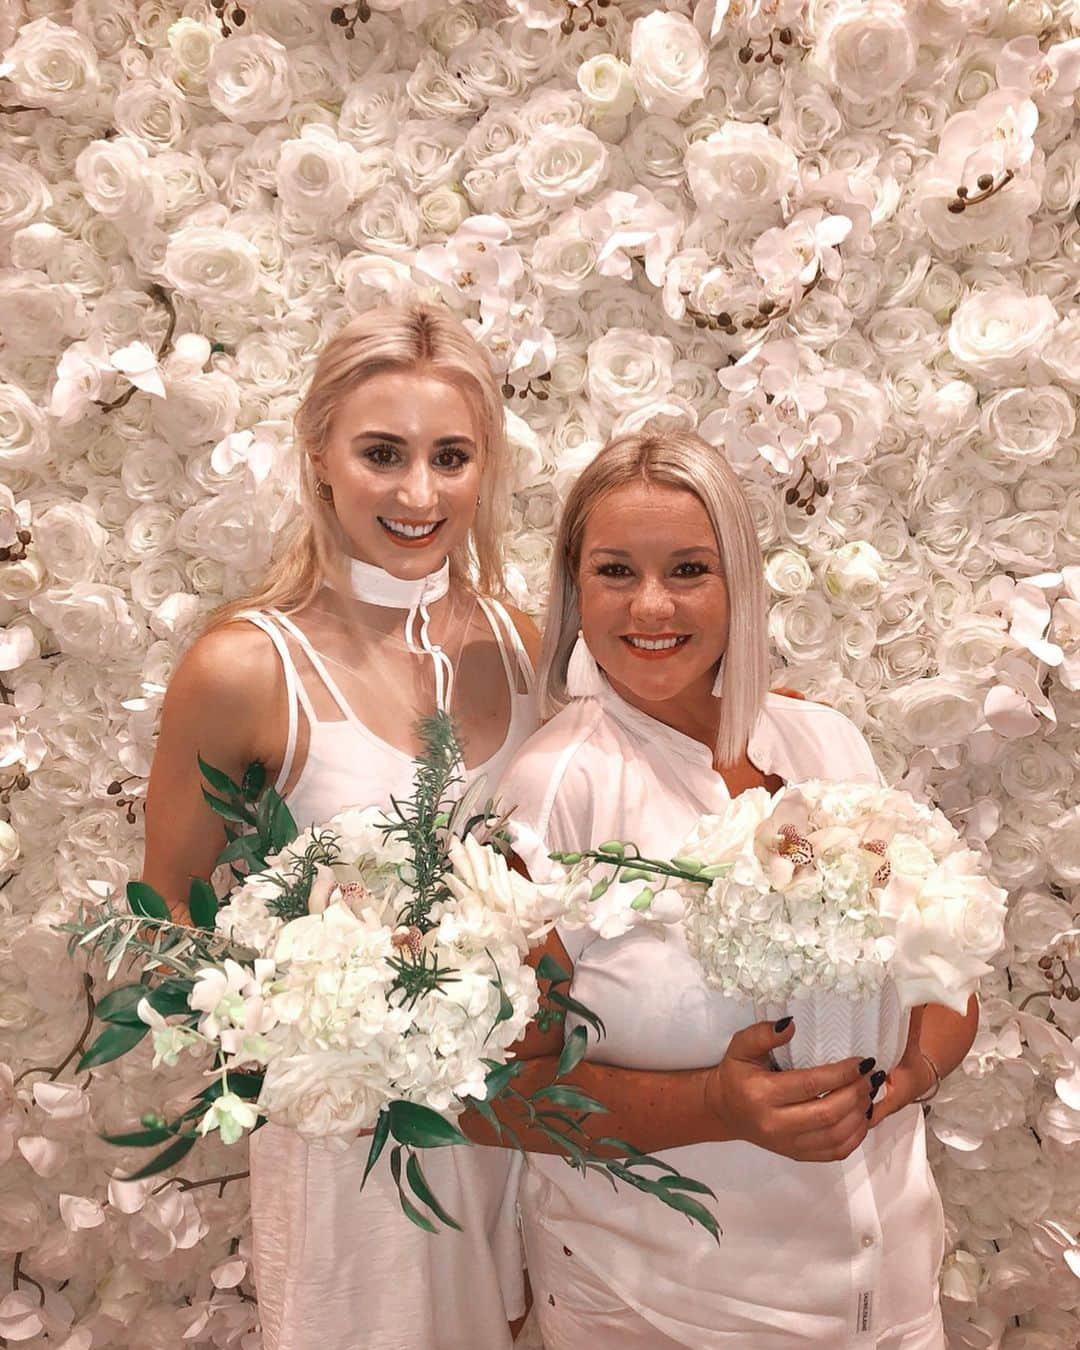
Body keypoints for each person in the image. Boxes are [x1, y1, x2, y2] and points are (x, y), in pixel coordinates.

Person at [490, 430, 978, 1350]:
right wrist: (714, 1106)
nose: (652, 605)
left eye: (687, 569)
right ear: (573, 591)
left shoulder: (828, 744)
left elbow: (945, 980)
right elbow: (498, 1092)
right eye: (613, 572)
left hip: (892, 1292)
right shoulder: (556, 793)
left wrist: (906, 1079)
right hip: (666, 1311)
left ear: (738, 583)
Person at [141, 304, 540, 1350]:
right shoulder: (243, 667)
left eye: (450, 457)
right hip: (352, 1144)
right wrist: (322, 1020)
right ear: (319, 456)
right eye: (382, 454)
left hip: (525, 1130)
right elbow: (173, 920)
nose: (419, 493)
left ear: (485, 465)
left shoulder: (531, 644)